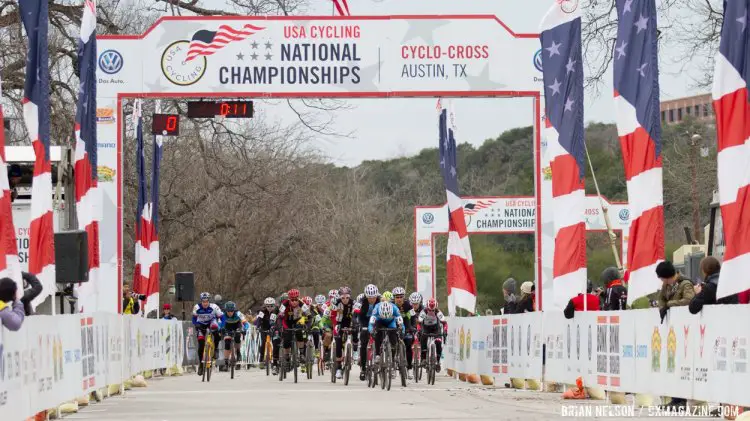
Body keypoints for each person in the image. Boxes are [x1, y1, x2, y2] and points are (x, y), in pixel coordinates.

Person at [278, 289, 311, 370]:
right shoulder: (284, 304)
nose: (294, 302)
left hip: (297, 321)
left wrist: (308, 326)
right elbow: (279, 317)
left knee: (300, 332)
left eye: (296, 299)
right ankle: (287, 357)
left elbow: (310, 316)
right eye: (292, 300)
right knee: (286, 339)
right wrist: (280, 327)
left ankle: (302, 354)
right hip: (287, 322)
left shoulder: (302, 304)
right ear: (289, 299)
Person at [192, 291, 223, 375]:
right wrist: (196, 324)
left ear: (209, 301)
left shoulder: (214, 307)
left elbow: (222, 317)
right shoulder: (197, 307)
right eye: (203, 302)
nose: (205, 303)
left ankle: (215, 349)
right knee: (201, 344)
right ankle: (201, 365)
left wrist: (222, 326)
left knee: (216, 330)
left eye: (206, 301)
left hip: (211, 322)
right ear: (201, 301)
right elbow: (194, 318)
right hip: (201, 324)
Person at [354, 283, 381, 380]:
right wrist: (356, 324)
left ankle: (378, 355)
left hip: (376, 320)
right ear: (366, 296)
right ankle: (363, 369)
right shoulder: (361, 301)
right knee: (364, 341)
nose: (372, 300)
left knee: (379, 335)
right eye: (369, 297)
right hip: (364, 320)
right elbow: (355, 314)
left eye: (373, 297)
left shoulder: (380, 300)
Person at [368, 300, 404, 368]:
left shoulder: (395, 309)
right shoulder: (376, 309)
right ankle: (377, 355)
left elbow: (401, 324)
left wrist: (402, 331)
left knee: (393, 338)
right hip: (380, 322)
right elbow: (371, 323)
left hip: (391, 322)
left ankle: (393, 358)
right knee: (378, 335)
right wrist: (371, 331)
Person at [331, 286, 355, 379]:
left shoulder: (353, 303)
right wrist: (334, 325)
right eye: (343, 298)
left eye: (347, 297)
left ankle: (354, 350)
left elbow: (357, 314)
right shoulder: (336, 303)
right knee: (338, 341)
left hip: (349, 322)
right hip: (339, 322)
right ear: (339, 297)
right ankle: (338, 368)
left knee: (356, 331)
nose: (345, 300)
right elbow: (332, 315)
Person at [417, 298, 447, 372]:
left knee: (438, 342)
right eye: (429, 310)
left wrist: (445, 331)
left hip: (436, 328)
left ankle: (438, 361)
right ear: (427, 307)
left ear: (435, 308)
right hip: (426, 328)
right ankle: (423, 359)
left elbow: (445, 323)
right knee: (423, 338)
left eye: (433, 310)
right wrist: (419, 330)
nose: (431, 312)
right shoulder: (424, 312)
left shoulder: (438, 312)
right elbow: (418, 322)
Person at [392, 286, 415, 378]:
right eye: (397, 297)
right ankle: (393, 368)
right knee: (392, 346)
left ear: (404, 297)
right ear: (394, 298)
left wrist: (412, 327)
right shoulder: (391, 305)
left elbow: (412, 318)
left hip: (406, 326)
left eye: (401, 297)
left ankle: (409, 368)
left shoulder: (408, 305)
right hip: (393, 326)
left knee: (408, 345)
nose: (399, 299)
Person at [219, 301, 247, 371]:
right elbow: (219, 323)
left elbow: (245, 323)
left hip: (237, 326)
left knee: (237, 337)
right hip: (227, 327)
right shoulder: (222, 314)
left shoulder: (238, 313)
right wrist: (220, 329)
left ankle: (238, 352)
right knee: (227, 343)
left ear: (234, 310)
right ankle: (226, 363)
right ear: (226, 311)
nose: (230, 313)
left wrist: (244, 329)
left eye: (231, 311)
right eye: (228, 311)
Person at [255, 297, 281, 375]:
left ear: (274, 305)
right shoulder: (262, 311)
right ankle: (261, 359)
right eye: (268, 306)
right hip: (264, 327)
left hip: (274, 327)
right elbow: (259, 319)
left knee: (275, 343)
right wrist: (257, 327)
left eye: (271, 306)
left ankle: (275, 360)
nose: (269, 308)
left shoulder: (277, 311)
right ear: (265, 306)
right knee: (263, 342)